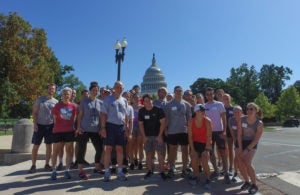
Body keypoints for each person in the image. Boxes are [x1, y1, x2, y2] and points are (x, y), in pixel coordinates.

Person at [101, 81, 130, 182]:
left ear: (123, 88)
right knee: (108, 148)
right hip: (109, 126)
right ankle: (107, 172)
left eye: (121, 87)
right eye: (117, 87)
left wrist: (126, 128)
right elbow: (103, 114)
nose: (119, 88)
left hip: (120, 127)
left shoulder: (124, 101)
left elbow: (126, 116)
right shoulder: (108, 99)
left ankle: (120, 171)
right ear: (113, 88)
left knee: (120, 149)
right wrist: (103, 128)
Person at [76, 82, 103, 180]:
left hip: (96, 130)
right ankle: (80, 170)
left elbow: (101, 117)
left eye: (97, 90)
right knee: (81, 149)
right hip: (84, 129)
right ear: (90, 91)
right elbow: (80, 115)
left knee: (99, 149)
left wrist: (101, 127)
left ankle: (96, 167)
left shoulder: (100, 102)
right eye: (93, 90)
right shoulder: (84, 101)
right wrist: (78, 127)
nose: (95, 92)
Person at [29, 83, 58, 173]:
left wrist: (55, 126)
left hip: (50, 126)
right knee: (36, 146)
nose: (51, 90)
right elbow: (34, 112)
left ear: (55, 90)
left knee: (49, 146)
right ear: (47, 89)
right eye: (50, 88)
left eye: (53, 89)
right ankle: (33, 165)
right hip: (40, 125)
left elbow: (56, 116)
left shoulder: (56, 102)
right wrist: (35, 124)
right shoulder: (40, 99)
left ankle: (47, 164)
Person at [204, 87, 231, 184]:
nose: (209, 96)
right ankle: (216, 170)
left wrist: (224, 130)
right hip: (209, 133)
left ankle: (226, 172)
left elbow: (224, 118)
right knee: (211, 153)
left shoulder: (219, 104)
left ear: (214, 94)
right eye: (207, 94)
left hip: (219, 131)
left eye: (211, 94)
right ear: (205, 96)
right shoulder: (204, 106)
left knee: (223, 152)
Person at [165, 86, 192, 178]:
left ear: (182, 92)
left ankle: (184, 168)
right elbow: (167, 118)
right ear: (174, 92)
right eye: (177, 91)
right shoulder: (168, 104)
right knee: (172, 150)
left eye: (180, 91)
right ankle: (171, 168)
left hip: (184, 130)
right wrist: (165, 129)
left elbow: (189, 119)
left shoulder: (187, 104)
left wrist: (190, 130)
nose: (179, 92)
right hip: (172, 130)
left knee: (185, 150)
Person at [50, 87, 77, 180]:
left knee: (68, 151)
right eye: (64, 94)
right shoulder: (57, 106)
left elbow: (74, 119)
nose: (66, 95)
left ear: (70, 95)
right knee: (55, 151)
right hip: (57, 131)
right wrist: (58, 127)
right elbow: (54, 119)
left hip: (69, 131)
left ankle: (67, 170)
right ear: (62, 95)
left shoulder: (74, 107)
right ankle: (53, 171)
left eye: (68, 94)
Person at [139, 94, 168, 180]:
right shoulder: (142, 111)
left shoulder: (158, 110)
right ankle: (150, 170)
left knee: (160, 154)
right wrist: (144, 136)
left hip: (157, 135)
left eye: (149, 100)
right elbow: (141, 124)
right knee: (148, 154)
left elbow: (163, 123)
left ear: (152, 100)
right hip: (147, 136)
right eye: (145, 101)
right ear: (143, 102)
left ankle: (162, 171)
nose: (147, 102)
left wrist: (159, 135)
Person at [237, 103, 263, 194]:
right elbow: (239, 134)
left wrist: (246, 150)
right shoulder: (242, 119)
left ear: (256, 111)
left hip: (252, 144)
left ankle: (254, 184)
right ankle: (247, 181)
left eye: (251, 109)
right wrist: (240, 148)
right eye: (248, 109)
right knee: (239, 162)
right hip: (242, 142)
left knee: (247, 162)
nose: (249, 111)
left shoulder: (259, 123)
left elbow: (256, 140)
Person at [188, 104, 212, 189]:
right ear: (196, 112)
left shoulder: (207, 121)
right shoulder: (191, 121)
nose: (203, 112)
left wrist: (206, 149)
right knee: (194, 159)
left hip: (205, 143)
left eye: (204, 111)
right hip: (195, 143)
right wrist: (192, 149)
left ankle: (208, 179)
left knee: (205, 160)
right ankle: (196, 177)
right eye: (201, 111)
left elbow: (209, 136)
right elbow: (190, 136)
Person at [153, 87, 168, 170]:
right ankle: (158, 161)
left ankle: (163, 162)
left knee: (164, 145)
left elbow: (168, 117)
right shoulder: (154, 103)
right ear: (158, 93)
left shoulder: (168, 104)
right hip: (156, 127)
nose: (162, 94)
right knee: (157, 145)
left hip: (165, 126)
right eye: (160, 92)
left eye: (163, 92)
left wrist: (166, 128)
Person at [228, 105, 243, 182]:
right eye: (234, 112)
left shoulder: (245, 119)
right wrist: (235, 142)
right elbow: (232, 132)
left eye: (238, 112)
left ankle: (247, 174)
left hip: (245, 140)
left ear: (241, 112)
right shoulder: (231, 120)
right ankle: (236, 173)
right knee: (236, 157)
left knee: (246, 159)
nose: (236, 113)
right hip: (237, 140)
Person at [130, 93, 144, 170]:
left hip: (140, 128)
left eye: (137, 97)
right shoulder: (130, 107)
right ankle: (132, 162)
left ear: (139, 98)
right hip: (132, 128)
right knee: (132, 145)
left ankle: (140, 162)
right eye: (134, 97)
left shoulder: (142, 107)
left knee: (140, 145)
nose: (136, 99)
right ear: (132, 98)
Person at [223, 93, 234, 174]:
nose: (226, 100)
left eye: (227, 98)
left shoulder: (233, 109)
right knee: (223, 150)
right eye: (224, 98)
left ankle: (231, 167)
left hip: (231, 132)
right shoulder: (221, 108)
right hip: (223, 131)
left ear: (230, 99)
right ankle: (225, 167)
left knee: (230, 149)